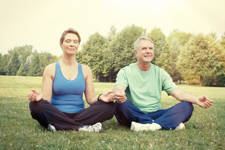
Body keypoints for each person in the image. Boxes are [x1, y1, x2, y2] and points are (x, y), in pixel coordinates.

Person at [113, 36, 213, 131]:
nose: (148, 51)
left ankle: (151, 125)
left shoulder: (160, 73)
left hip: (155, 113)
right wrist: (120, 93)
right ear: (136, 52)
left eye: (150, 48)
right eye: (144, 48)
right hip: (133, 112)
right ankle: (166, 123)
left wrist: (196, 100)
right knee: (120, 104)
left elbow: (178, 93)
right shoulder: (125, 71)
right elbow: (119, 88)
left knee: (187, 106)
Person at [28, 28, 119, 132]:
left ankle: (59, 125)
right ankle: (82, 127)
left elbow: (90, 99)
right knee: (35, 106)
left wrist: (102, 97)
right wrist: (38, 98)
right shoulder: (50, 69)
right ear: (61, 44)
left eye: (75, 42)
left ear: (78, 46)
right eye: (68, 41)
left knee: (110, 107)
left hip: (80, 114)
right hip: (56, 113)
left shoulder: (86, 70)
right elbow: (46, 100)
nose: (72, 44)